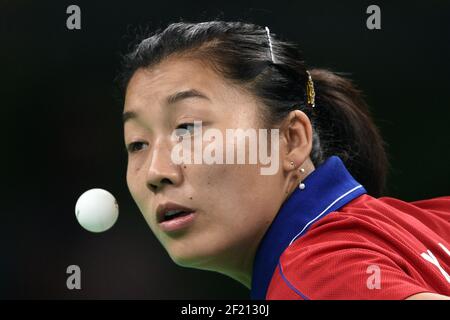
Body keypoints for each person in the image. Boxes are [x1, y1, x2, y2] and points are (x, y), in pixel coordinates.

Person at [119, 20, 450, 299]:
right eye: (137, 143)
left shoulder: (317, 276)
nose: (155, 171)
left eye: (187, 127)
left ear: (291, 140)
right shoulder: (427, 221)